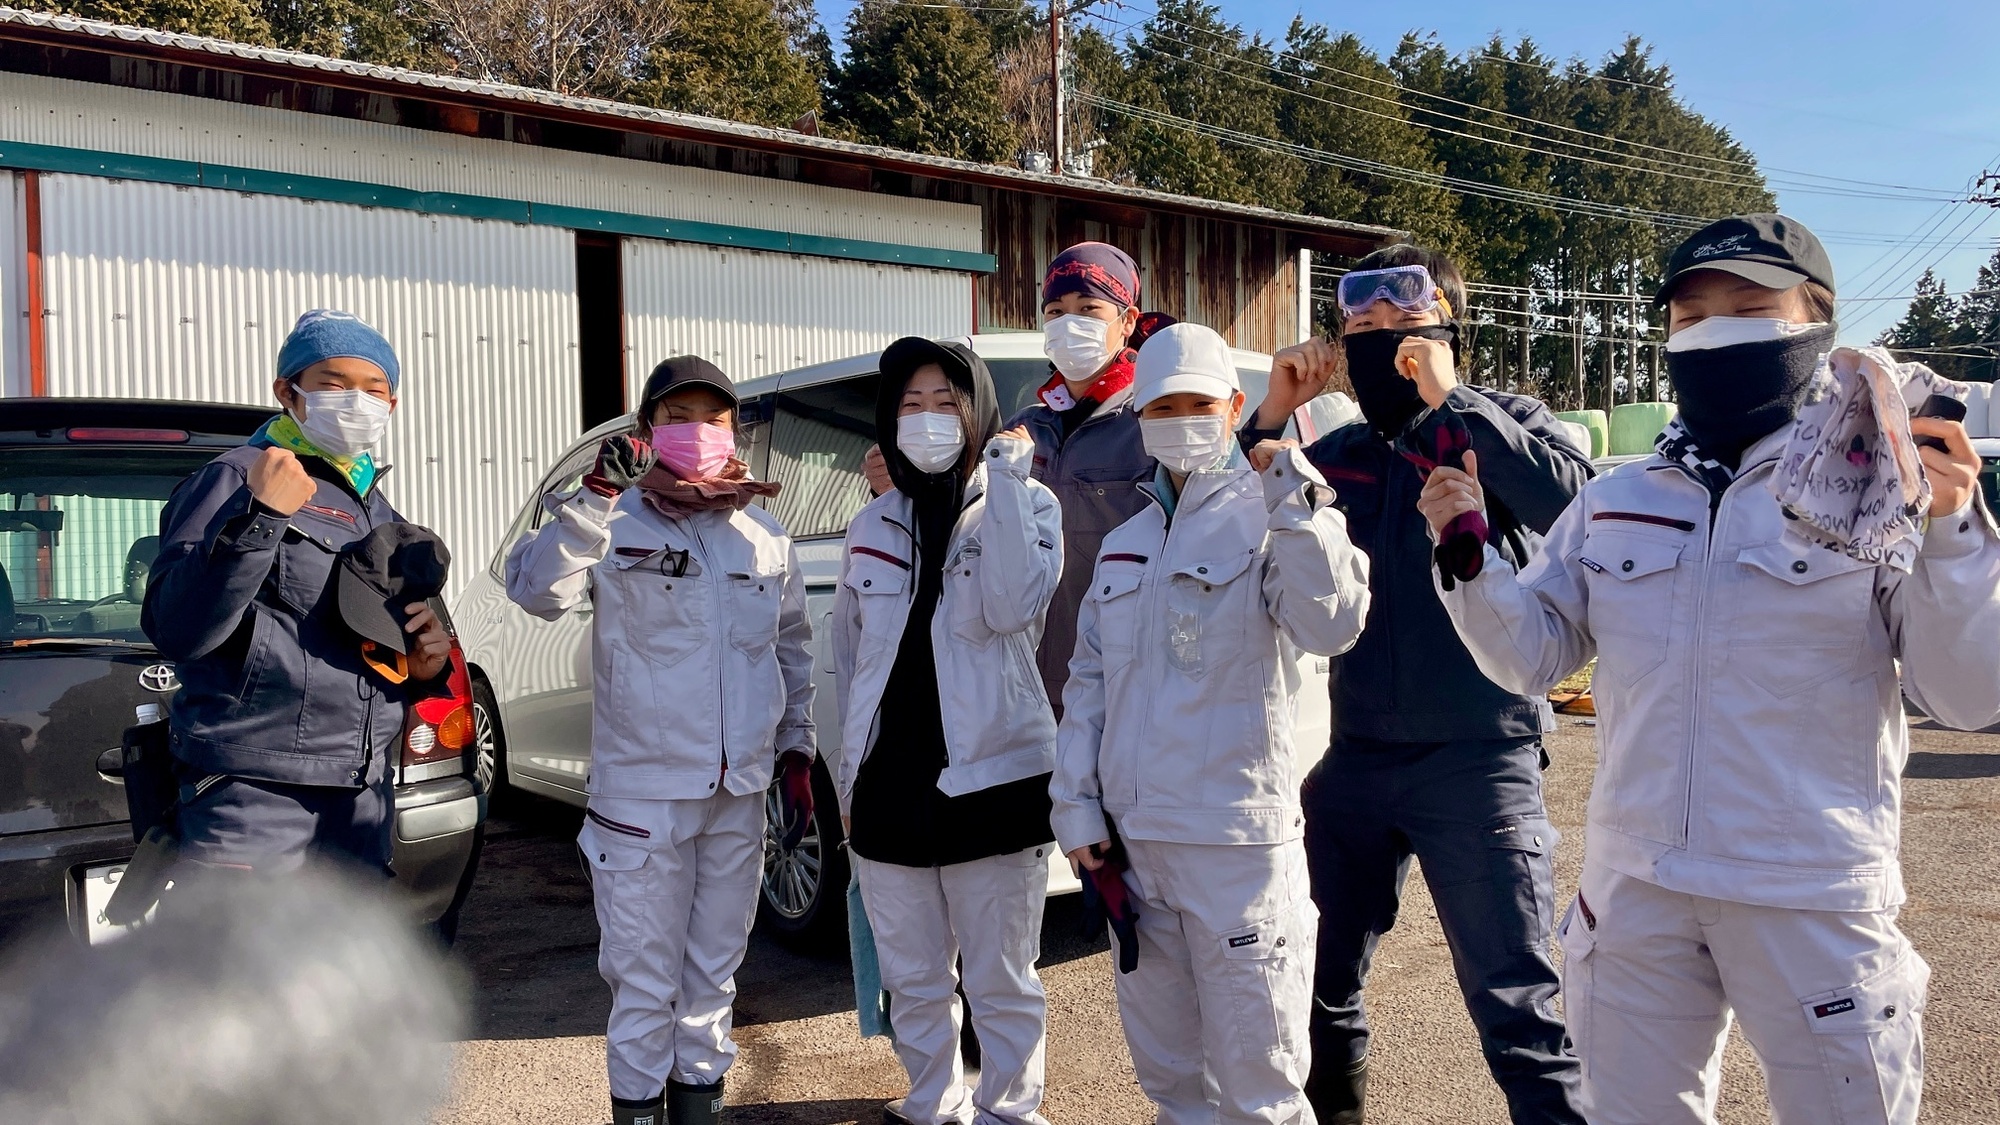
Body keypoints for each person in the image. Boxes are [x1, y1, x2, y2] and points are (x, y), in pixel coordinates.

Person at [1422, 213, 2000, 1125]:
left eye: (1750, 307)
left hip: (1810, 891)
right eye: (1690, 316)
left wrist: (1955, 535)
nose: (1715, 331)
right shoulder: (1616, 499)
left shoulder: (1878, 489)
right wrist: (1467, 554)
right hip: (1636, 885)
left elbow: (1967, 695)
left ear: (1818, 321)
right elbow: (1532, 655)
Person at [1238, 245, 1592, 1124]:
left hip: (1480, 757)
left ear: (1446, 331)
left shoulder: (1508, 421)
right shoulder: (1339, 454)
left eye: (1403, 324)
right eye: (1361, 326)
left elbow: (1576, 512)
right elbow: (1230, 523)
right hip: (1353, 756)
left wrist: (1453, 403)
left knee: (1518, 1009)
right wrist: (1269, 415)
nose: (1380, 340)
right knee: (1316, 983)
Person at [1053, 322, 1372, 1125]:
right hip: (1137, 852)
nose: (1181, 420)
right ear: (1139, 417)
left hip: (1238, 852)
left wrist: (1294, 495)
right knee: (1173, 1083)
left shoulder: (1274, 514)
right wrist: (1078, 810)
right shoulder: (1124, 545)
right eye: (1163, 406)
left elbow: (1333, 622)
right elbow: (1089, 685)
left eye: (1199, 404)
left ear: (1234, 407)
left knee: (1261, 1091)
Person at [506, 356, 815, 1125]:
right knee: (645, 990)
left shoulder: (763, 533)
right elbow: (535, 590)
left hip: (738, 798)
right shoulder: (615, 520)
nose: (698, 431)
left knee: (712, 986)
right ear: (647, 430)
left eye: (714, 417)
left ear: (735, 430)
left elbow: (790, 648)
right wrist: (595, 496)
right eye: (679, 416)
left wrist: (796, 749)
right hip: (641, 803)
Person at [832, 337, 1064, 1125]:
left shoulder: (1028, 504)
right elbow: (851, 659)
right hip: (890, 784)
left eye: (945, 403)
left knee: (1002, 978)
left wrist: (1006, 478)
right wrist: (850, 776)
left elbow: (1012, 604)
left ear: (977, 414)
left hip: (994, 780)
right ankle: (932, 1100)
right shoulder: (871, 523)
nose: (927, 419)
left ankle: (1010, 1111)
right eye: (911, 404)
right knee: (914, 975)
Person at [143, 309, 452, 878]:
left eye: (374, 389)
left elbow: (356, 646)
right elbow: (177, 628)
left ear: (392, 404)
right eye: (334, 384)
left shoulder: (376, 509)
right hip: (256, 793)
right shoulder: (236, 478)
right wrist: (261, 517)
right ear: (288, 391)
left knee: (350, 941)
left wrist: (423, 668)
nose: (357, 401)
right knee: (245, 941)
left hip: (360, 794)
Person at [863, 242, 1171, 719]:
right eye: (1055, 311)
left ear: (1127, 320)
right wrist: (899, 482)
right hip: (1026, 682)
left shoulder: (1153, 424)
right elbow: (963, 520)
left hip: (1126, 678)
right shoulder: (1025, 426)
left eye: (1088, 309)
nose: (1069, 323)